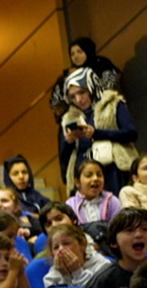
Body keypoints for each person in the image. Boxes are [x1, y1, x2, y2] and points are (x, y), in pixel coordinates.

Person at [59, 68, 138, 196]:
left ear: (92, 88)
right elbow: (64, 157)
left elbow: (131, 133)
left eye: (82, 92)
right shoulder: (69, 117)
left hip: (113, 171)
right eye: (72, 96)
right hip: (84, 174)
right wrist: (69, 141)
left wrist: (97, 134)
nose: (78, 99)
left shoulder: (113, 104)